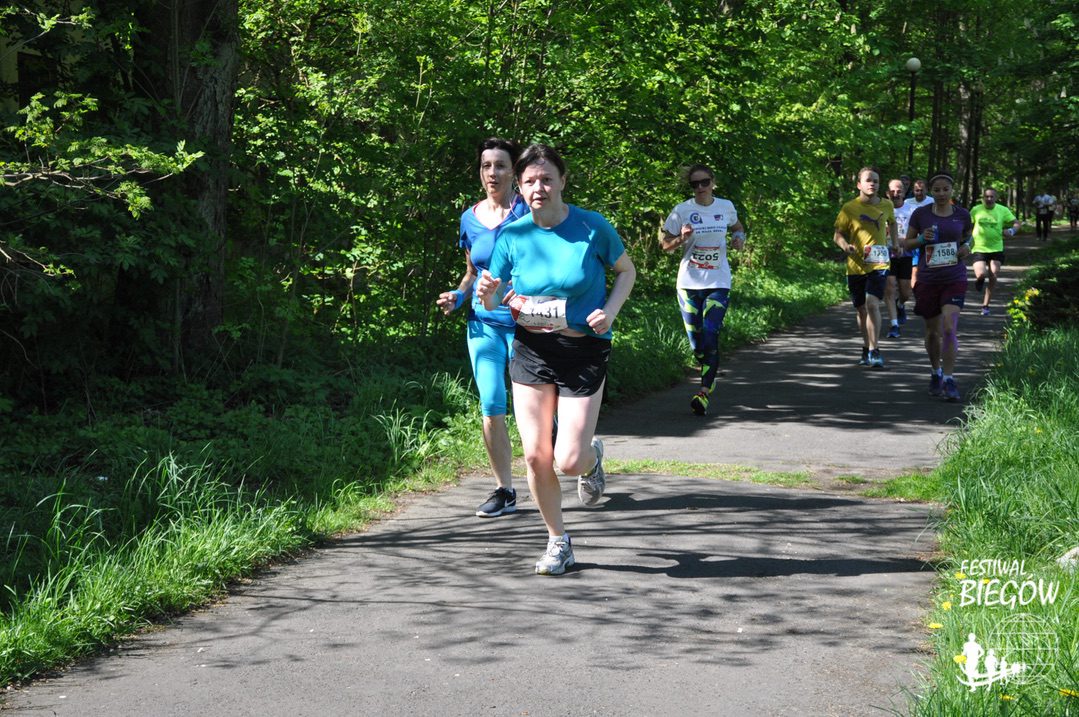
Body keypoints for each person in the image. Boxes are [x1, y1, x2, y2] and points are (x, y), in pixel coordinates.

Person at [476, 143, 636, 575]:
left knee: (568, 460)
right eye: (530, 181)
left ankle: (591, 459)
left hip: (583, 349)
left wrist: (611, 311)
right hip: (531, 351)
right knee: (535, 456)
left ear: (563, 181)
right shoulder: (513, 236)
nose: (539, 188)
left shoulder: (591, 226)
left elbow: (626, 271)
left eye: (547, 179)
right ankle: (557, 541)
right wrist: (489, 294)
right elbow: (496, 297)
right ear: (519, 186)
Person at [435, 138, 529, 518]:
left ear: (514, 171)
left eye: (500, 165)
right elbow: (472, 273)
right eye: (486, 165)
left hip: (526, 325)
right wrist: (458, 297)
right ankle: (505, 490)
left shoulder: (528, 211)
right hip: (483, 326)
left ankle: (585, 457)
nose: (493, 173)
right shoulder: (469, 218)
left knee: (538, 414)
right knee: (491, 406)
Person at [659, 164, 746, 415]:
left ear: (713, 182)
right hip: (689, 284)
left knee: (711, 334)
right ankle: (708, 366)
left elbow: (738, 228)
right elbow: (665, 246)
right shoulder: (682, 210)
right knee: (697, 344)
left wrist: (739, 239)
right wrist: (682, 238)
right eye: (694, 184)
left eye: (704, 182)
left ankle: (704, 392)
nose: (700, 188)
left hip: (718, 282)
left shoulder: (726, 207)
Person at [903, 172, 974, 402]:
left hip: (954, 277)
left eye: (946, 189)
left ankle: (950, 379)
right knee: (933, 332)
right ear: (930, 191)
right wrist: (921, 239)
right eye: (937, 190)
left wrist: (967, 248)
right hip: (928, 280)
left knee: (949, 328)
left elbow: (969, 237)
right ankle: (936, 372)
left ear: (952, 190)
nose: (941, 194)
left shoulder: (962, 214)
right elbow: (907, 243)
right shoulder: (921, 214)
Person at [833, 167, 897, 368]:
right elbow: (837, 235)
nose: (872, 184)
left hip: (879, 262)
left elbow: (893, 223)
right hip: (856, 266)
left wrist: (895, 243)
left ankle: (875, 350)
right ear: (859, 184)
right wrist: (846, 246)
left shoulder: (887, 204)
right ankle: (866, 346)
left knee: (872, 304)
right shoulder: (849, 208)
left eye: (876, 181)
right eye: (868, 180)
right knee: (861, 309)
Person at [969, 187, 1020, 316]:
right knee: (981, 274)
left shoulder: (1002, 210)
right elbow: (967, 226)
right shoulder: (976, 209)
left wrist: (1012, 231)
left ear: (996, 198)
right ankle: (979, 280)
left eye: (992, 196)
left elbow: (1016, 223)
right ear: (983, 198)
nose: (989, 199)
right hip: (979, 248)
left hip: (996, 248)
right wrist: (965, 241)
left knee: (993, 275)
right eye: (986, 196)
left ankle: (985, 305)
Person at [884, 178, 915, 338]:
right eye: (892, 191)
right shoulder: (881, 209)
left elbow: (915, 233)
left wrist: (904, 244)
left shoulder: (911, 210)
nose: (895, 194)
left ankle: (900, 304)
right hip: (886, 254)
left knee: (906, 292)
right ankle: (894, 325)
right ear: (887, 193)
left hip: (905, 253)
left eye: (899, 191)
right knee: (889, 288)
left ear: (904, 192)